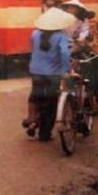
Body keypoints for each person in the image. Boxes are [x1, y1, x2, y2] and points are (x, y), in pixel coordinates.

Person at [23, 7, 75, 142]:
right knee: (51, 103)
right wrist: (66, 70)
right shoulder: (61, 36)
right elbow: (64, 54)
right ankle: (44, 134)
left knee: (37, 98)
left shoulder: (34, 34)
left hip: (36, 71)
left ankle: (34, 121)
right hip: (53, 74)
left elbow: (33, 49)